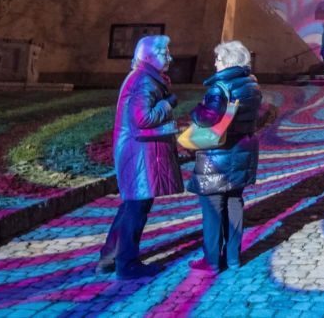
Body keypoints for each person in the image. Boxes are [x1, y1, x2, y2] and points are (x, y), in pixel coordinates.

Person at [97, 35, 183, 279]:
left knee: (132, 204)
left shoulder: (145, 77)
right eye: (164, 53)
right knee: (138, 207)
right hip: (139, 153)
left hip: (137, 150)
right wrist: (168, 104)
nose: (170, 58)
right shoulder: (144, 80)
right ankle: (127, 264)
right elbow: (143, 118)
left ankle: (110, 256)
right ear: (148, 56)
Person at [187, 41, 263, 272]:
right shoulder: (252, 84)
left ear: (228, 62)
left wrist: (196, 110)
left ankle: (211, 260)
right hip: (243, 150)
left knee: (213, 206)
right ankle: (233, 257)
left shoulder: (220, 87)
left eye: (218, 59)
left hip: (218, 154)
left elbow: (207, 118)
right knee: (234, 202)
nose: (215, 63)